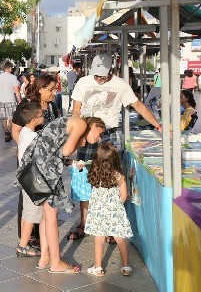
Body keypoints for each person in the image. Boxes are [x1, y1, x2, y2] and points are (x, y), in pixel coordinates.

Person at [69, 54, 161, 241]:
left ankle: (111, 224)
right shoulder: (83, 83)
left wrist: (157, 125)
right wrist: (78, 134)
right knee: (83, 174)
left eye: (102, 74)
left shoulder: (120, 85)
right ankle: (84, 223)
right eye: (96, 74)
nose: (99, 78)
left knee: (111, 176)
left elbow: (138, 105)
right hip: (87, 130)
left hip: (110, 132)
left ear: (111, 70)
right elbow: (76, 110)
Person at [15, 116, 106, 273]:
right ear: (94, 125)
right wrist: (79, 143)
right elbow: (67, 150)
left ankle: (45, 259)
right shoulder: (80, 123)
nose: (99, 138)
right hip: (45, 170)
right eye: (100, 132)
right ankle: (56, 263)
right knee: (51, 217)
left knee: (46, 217)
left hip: (37, 166)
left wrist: (71, 160)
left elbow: (55, 147)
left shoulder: (71, 123)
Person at [12, 73, 60, 245]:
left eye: (55, 89)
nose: (54, 92)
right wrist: (29, 153)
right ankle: (26, 236)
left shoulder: (52, 106)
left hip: (48, 161)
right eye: (51, 89)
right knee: (29, 195)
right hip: (30, 160)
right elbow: (15, 131)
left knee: (46, 194)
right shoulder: (27, 105)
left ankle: (42, 234)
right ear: (40, 89)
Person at [85, 143, 133, 277]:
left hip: (98, 212)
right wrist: (116, 206)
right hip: (115, 211)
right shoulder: (119, 176)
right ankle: (126, 267)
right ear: (115, 159)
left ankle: (98, 267)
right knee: (120, 239)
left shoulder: (94, 175)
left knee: (98, 240)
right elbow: (123, 196)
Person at [15, 102, 44, 257]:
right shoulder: (33, 136)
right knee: (32, 213)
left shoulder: (24, 132)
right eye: (41, 115)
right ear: (34, 119)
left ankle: (23, 243)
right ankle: (23, 246)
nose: (43, 117)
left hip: (25, 177)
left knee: (27, 212)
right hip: (33, 179)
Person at [0, 61, 21, 142]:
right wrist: (19, 100)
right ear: (10, 68)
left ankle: (6, 133)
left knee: (3, 118)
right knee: (11, 117)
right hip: (11, 100)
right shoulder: (13, 77)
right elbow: (16, 91)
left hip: (1, 100)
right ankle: (9, 130)